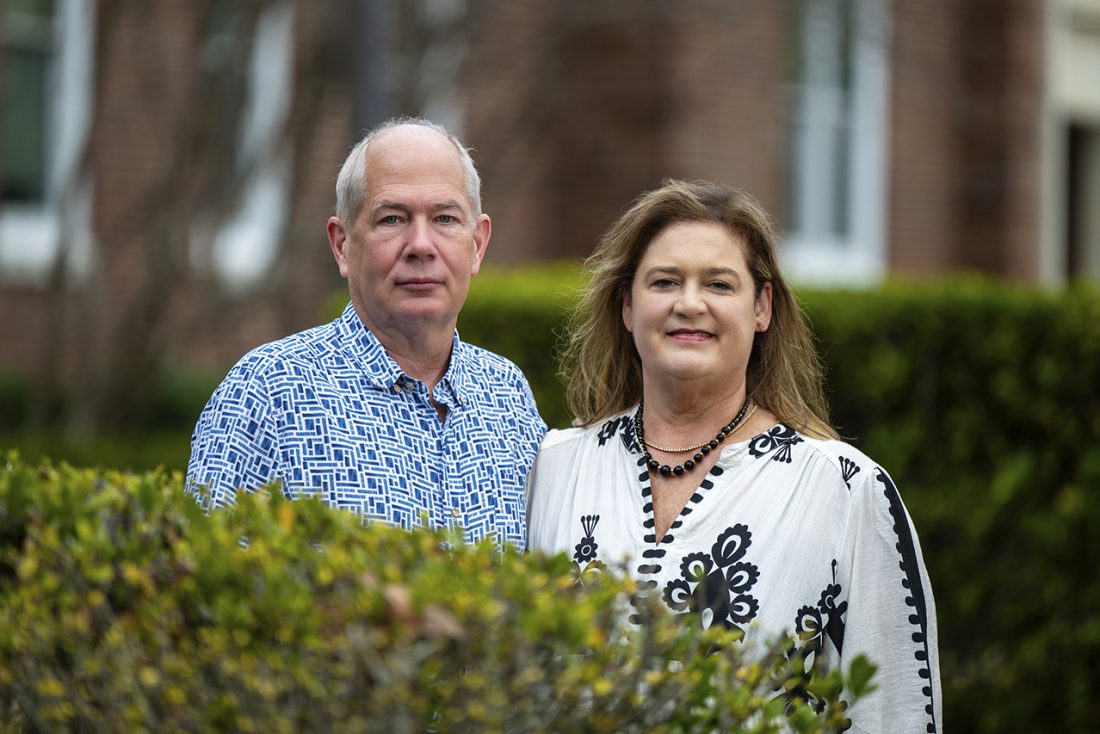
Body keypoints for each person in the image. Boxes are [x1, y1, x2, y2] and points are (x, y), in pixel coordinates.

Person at [526, 180, 941, 731]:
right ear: (627, 306)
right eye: (664, 281)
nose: (689, 303)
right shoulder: (555, 467)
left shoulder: (845, 492)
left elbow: (896, 714)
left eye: (719, 284)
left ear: (762, 307)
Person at [187, 117, 545, 548]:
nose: (420, 245)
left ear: (477, 245)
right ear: (342, 245)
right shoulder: (267, 392)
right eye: (392, 219)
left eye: (445, 218)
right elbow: (203, 582)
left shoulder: (508, 397)